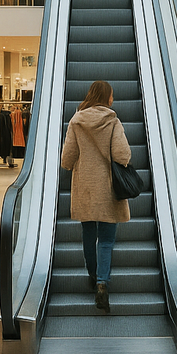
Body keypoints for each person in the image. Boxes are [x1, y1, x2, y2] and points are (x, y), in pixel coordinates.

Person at [60, 80, 132, 313]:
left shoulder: (76, 120)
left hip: (85, 187)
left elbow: (66, 159)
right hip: (108, 188)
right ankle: (102, 283)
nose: (113, 99)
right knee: (107, 239)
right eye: (111, 95)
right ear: (106, 98)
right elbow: (122, 154)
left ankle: (92, 274)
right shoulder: (112, 120)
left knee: (88, 234)